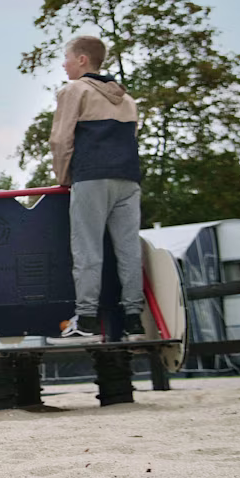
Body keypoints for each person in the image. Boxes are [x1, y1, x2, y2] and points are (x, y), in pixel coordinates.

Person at [47, 35, 146, 343]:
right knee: (128, 251)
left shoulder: (74, 90)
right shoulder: (127, 99)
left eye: (66, 57)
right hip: (128, 179)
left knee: (88, 250)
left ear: (82, 60)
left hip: (92, 177)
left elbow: (61, 140)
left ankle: (86, 319)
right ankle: (134, 320)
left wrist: (65, 178)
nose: (63, 64)